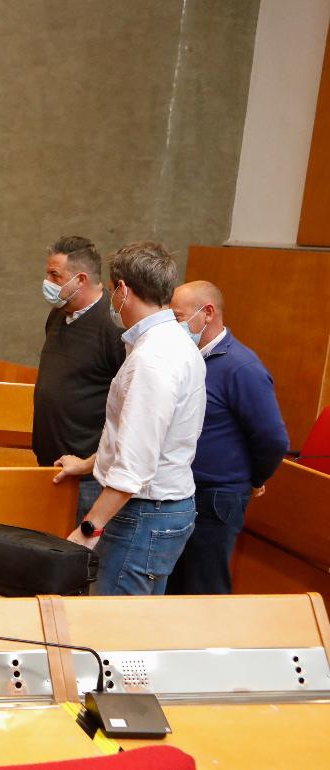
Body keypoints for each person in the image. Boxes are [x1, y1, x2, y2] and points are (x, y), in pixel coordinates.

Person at [52, 241, 206, 596]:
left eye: (113, 289)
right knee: (135, 627)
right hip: (157, 510)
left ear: (122, 290)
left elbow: (134, 465)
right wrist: (90, 464)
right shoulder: (173, 343)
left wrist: (88, 529)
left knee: (116, 635)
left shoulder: (153, 358)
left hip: (143, 514)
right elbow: (137, 432)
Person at [166, 281, 288, 594]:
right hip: (183, 491)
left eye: (178, 317)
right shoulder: (186, 358)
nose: (173, 325)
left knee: (203, 589)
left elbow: (273, 438)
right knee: (174, 588)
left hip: (217, 497)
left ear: (207, 313)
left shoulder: (241, 366)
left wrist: (254, 478)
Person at [33, 236, 127, 522]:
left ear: (81, 279)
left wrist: (91, 462)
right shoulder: (58, 316)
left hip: (88, 475)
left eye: (54, 275)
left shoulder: (113, 327)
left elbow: (128, 403)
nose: (47, 281)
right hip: (49, 464)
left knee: (81, 559)